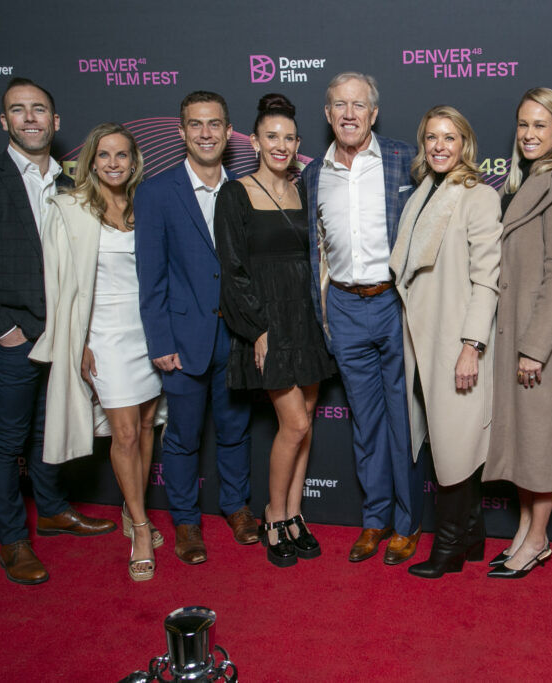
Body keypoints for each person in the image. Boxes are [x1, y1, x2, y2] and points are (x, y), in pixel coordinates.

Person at [0, 78, 115, 585]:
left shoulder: (73, 185)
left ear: (56, 122)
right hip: (13, 338)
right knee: (6, 441)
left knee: (48, 430)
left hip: (63, 335)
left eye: (40, 109)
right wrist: (1, 330)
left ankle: (54, 511)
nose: (31, 118)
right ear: (4, 122)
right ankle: (13, 542)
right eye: (19, 110)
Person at [29, 123, 165, 581]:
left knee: (147, 424)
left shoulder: (145, 204)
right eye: (104, 155)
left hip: (147, 330)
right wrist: (78, 339)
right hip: (103, 333)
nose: (113, 163)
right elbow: (59, 283)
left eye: (122, 155)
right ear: (90, 160)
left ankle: (132, 511)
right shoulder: (70, 209)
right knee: (124, 433)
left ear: (133, 160)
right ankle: (142, 529)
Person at [304, 72, 424, 565]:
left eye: (359, 105)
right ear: (328, 114)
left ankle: (406, 522)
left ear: (374, 113)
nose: (349, 113)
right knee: (366, 421)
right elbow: (315, 249)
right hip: (346, 307)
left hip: (395, 301)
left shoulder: (402, 159)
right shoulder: (313, 174)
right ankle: (374, 520)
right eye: (339, 105)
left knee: (403, 419)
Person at [135, 91, 257, 566]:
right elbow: (151, 275)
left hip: (236, 338)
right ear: (182, 132)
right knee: (184, 437)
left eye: (214, 124)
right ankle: (185, 521)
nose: (205, 133)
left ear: (229, 133)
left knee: (235, 430)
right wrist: (160, 341)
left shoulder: (244, 188)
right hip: (183, 341)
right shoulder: (157, 192)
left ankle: (237, 508)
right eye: (195, 124)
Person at [214, 94, 337, 568]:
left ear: (298, 144)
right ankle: (272, 514)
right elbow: (233, 268)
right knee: (297, 423)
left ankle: (294, 514)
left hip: (307, 316)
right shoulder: (236, 193)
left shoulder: (305, 190)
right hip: (268, 322)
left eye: (289, 138)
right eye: (272, 136)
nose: (281, 145)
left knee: (304, 427)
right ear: (254, 141)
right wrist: (257, 330)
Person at [389, 105, 501, 579]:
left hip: (458, 341)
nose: (439, 146)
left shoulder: (477, 196)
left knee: (455, 445)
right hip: (424, 341)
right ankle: (472, 536)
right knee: (443, 442)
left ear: (465, 144)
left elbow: (488, 279)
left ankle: (449, 547)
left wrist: (471, 346)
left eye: (449, 137)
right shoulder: (421, 194)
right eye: (431, 137)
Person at [482, 88, 552, 579]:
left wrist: (535, 349)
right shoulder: (521, 182)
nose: (529, 134)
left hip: (543, 338)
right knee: (524, 437)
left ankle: (539, 537)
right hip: (516, 333)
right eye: (523, 124)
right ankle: (526, 529)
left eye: (540, 125)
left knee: (541, 439)